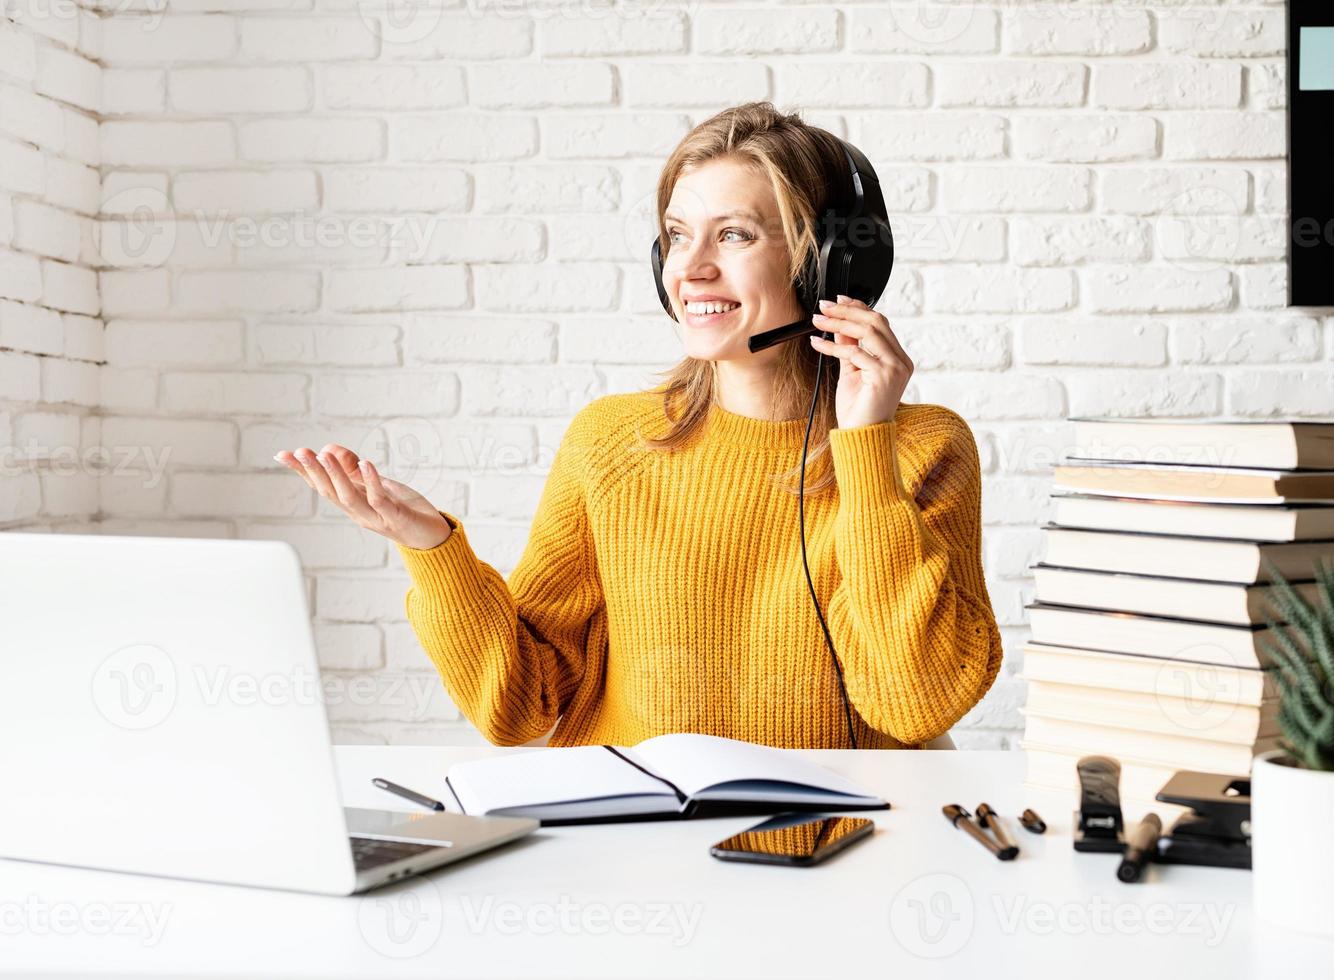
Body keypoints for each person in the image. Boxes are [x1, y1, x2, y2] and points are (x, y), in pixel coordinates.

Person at [276, 102, 1003, 750]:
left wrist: (864, 452)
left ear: (829, 261)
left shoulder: (919, 448)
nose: (691, 269)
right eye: (677, 235)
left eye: (736, 235)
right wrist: (431, 548)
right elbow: (522, 708)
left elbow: (916, 702)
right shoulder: (611, 442)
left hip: (842, 859)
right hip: (640, 856)